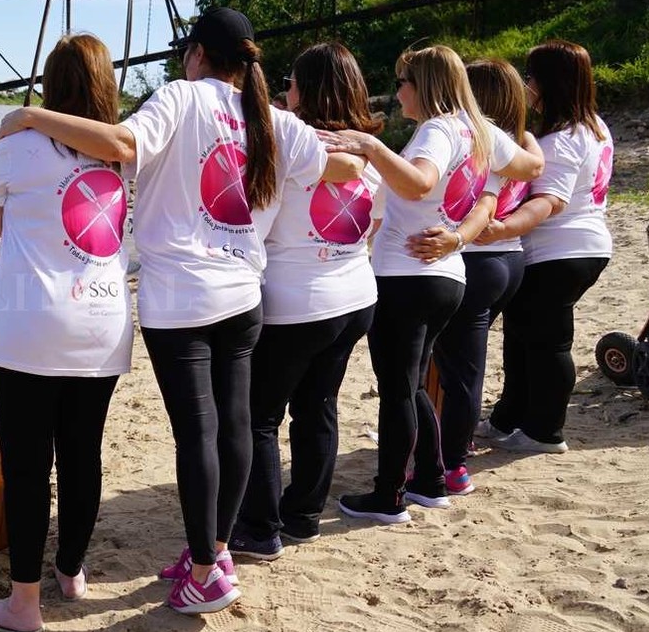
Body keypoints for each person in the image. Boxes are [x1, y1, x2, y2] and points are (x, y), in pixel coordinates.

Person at [0, 8, 346, 615]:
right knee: (235, 424)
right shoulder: (274, 119)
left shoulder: (182, 97)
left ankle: (209, 572)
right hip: (244, 294)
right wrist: (363, 145)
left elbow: (120, 143)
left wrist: (29, 114)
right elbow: (341, 169)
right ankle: (212, 550)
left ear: (197, 53)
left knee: (200, 433)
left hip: (181, 298)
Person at [318, 45, 542, 525]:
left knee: (399, 389)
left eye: (403, 82)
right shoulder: (478, 130)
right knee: (415, 385)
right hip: (447, 275)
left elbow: (419, 183)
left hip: (408, 273)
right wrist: (477, 205)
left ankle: (389, 496)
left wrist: (372, 148)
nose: (397, 92)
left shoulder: (438, 131)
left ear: (425, 86)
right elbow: (529, 167)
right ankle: (431, 480)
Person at [0, 33, 134, 632]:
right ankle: (71, 571)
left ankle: (24, 605)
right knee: (83, 454)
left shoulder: (23, 144)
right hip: (104, 320)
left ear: (51, 84)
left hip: (33, 325)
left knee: (30, 465)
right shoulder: (122, 152)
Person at [231, 43, 385, 559]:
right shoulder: (368, 153)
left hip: (299, 301)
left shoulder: (293, 146)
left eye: (293, 81)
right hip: (356, 294)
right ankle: (302, 515)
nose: (285, 91)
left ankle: (260, 528)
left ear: (310, 89)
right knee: (318, 406)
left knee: (260, 416)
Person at [481, 39, 613, 454]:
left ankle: (545, 430)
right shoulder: (594, 127)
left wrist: (501, 228)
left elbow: (549, 201)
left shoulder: (560, 141)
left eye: (530, 77)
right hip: (581, 244)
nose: (525, 85)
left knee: (548, 342)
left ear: (548, 82)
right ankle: (508, 418)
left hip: (560, 251)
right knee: (522, 337)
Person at [423, 60, 535, 495]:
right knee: (463, 370)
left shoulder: (476, 141)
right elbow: (535, 170)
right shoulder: (517, 142)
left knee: (459, 374)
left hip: (477, 259)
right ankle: (454, 448)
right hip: (510, 261)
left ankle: (452, 462)